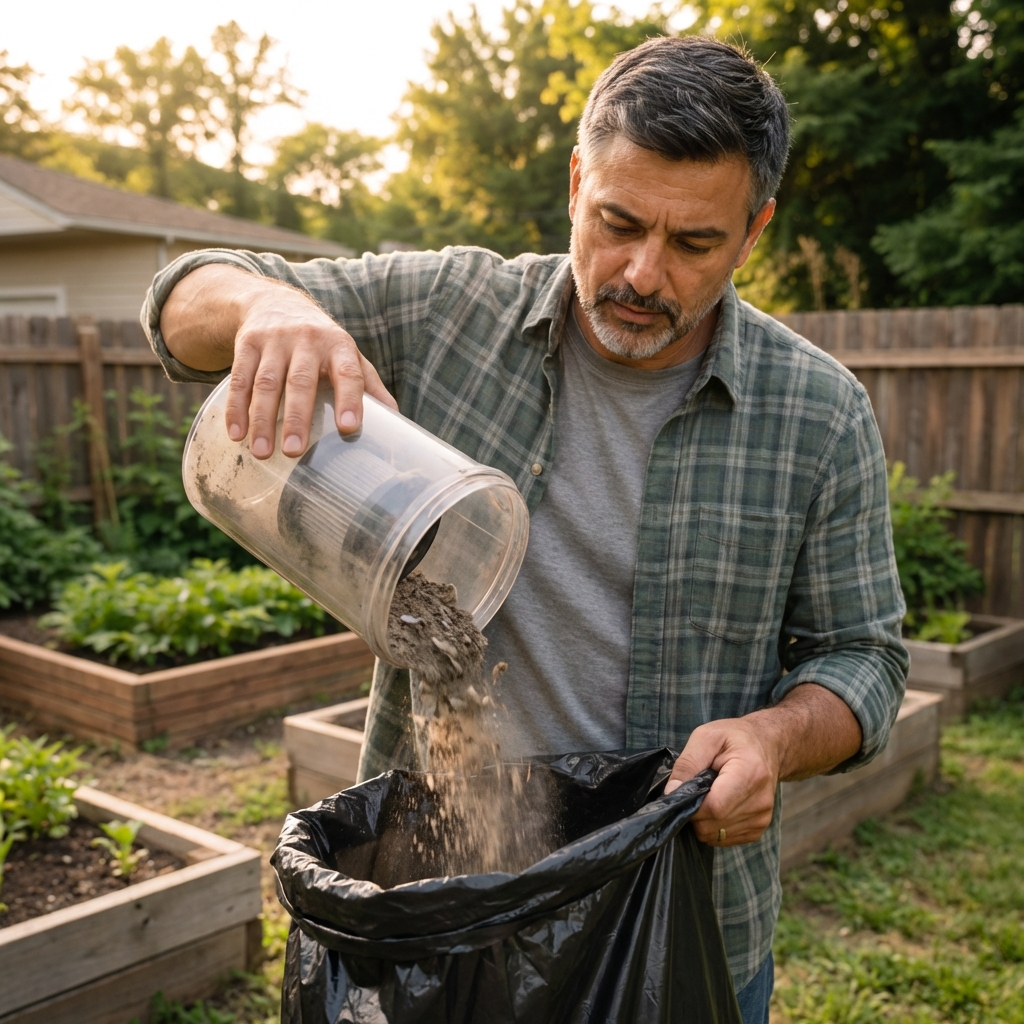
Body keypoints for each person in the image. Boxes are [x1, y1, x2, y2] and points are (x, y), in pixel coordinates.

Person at [143, 35, 908, 1023]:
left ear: (754, 229)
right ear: (577, 178)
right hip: (440, 924)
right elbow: (175, 304)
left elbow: (865, 659)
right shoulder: (448, 311)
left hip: (672, 931)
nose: (641, 273)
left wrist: (773, 737)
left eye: (692, 244)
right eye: (617, 220)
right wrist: (268, 306)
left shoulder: (817, 412)